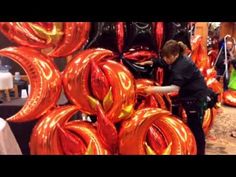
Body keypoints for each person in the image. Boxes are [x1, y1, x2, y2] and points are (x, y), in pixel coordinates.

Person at [139, 40, 209, 155]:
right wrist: (151, 62)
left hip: (195, 98)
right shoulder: (176, 58)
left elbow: (174, 88)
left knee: (196, 128)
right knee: (193, 125)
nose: (166, 60)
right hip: (190, 96)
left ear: (175, 55)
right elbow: (163, 62)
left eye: (167, 57)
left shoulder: (182, 66)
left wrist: (152, 90)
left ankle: (199, 152)